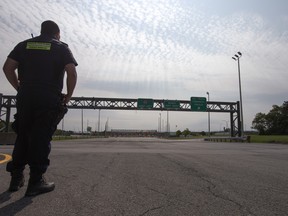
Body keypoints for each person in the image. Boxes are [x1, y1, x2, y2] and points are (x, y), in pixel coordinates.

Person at [2, 20, 78, 196]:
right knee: (41, 137)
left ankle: (16, 179)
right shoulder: (61, 47)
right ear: (57, 34)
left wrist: (19, 88)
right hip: (48, 97)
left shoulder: (23, 45)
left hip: (25, 97)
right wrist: (68, 96)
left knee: (23, 135)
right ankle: (35, 182)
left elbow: (7, 68)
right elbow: (71, 72)